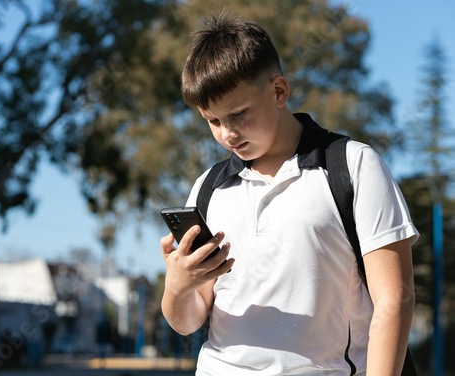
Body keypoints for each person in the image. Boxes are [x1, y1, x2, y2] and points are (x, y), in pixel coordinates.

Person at [160, 10, 419, 376]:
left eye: (238, 114)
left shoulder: (354, 166)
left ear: (279, 91)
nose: (227, 134)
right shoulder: (207, 188)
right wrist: (178, 286)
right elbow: (186, 322)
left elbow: (395, 300)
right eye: (213, 121)